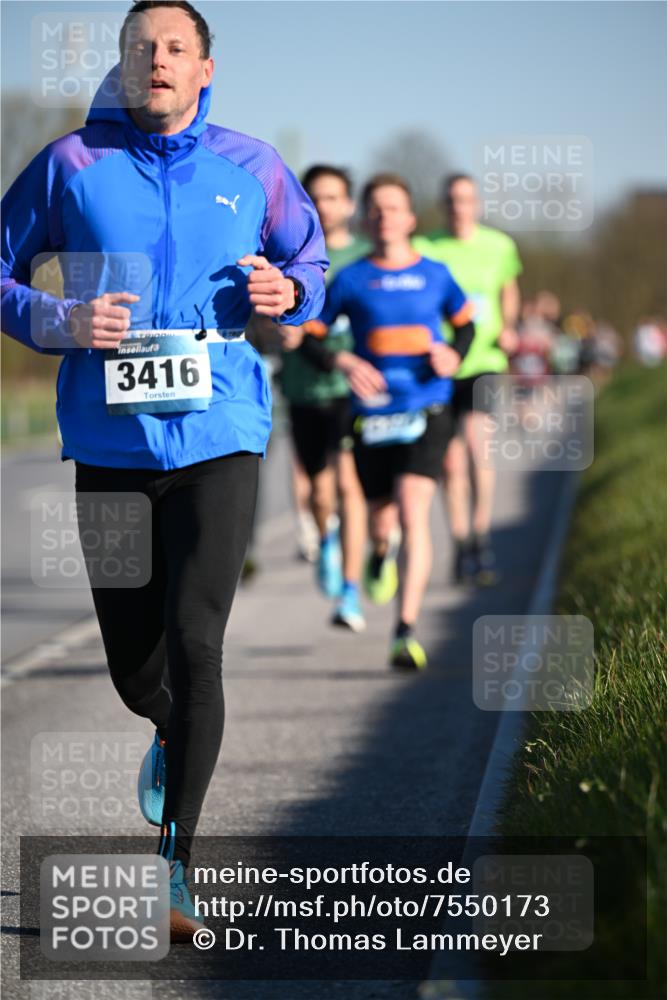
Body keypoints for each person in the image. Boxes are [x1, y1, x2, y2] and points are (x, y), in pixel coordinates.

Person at [1, 0, 326, 940]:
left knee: (197, 640)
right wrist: (59, 321)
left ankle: (176, 864)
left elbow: (310, 264)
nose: (157, 60)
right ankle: (161, 724)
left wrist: (289, 290)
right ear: (122, 62)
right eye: (142, 47)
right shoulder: (68, 165)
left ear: (204, 68)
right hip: (107, 440)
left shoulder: (253, 165)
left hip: (221, 429)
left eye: (176, 48)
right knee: (136, 665)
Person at [302, 174, 475, 669]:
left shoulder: (437, 274)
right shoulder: (352, 279)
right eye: (376, 210)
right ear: (365, 218)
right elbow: (312, 337)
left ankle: (405, 630)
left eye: (394, 208)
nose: (384, 217)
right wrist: (344, 363)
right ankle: (381, 552)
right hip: (372, 416)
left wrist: (452, 355)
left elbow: (466, 326)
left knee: (412, 508)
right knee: (383, 520)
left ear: (411, 218)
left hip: (428, 407)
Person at [414, 174, 522, 586]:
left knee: (479, 445)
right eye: (452, 200)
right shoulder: (428, 247)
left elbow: (509, 290)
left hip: (485, 360)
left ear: (476, 204)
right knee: (451, 462)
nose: (460, 207)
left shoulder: (499, 246)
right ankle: (461, 542)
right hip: (441, 363)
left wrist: (509, 326)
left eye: (466, 199)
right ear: (444, 205)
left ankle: (481, 534)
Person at [280, 165, 370, 632]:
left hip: (353, 393)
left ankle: (350, 593)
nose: (325, 206)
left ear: (349, 206)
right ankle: (328, 534)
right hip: (302, 388)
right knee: (319, 492)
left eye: (334, 197)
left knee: (351, 485)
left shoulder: (365, 256)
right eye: (316, 197)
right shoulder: (287, 253)